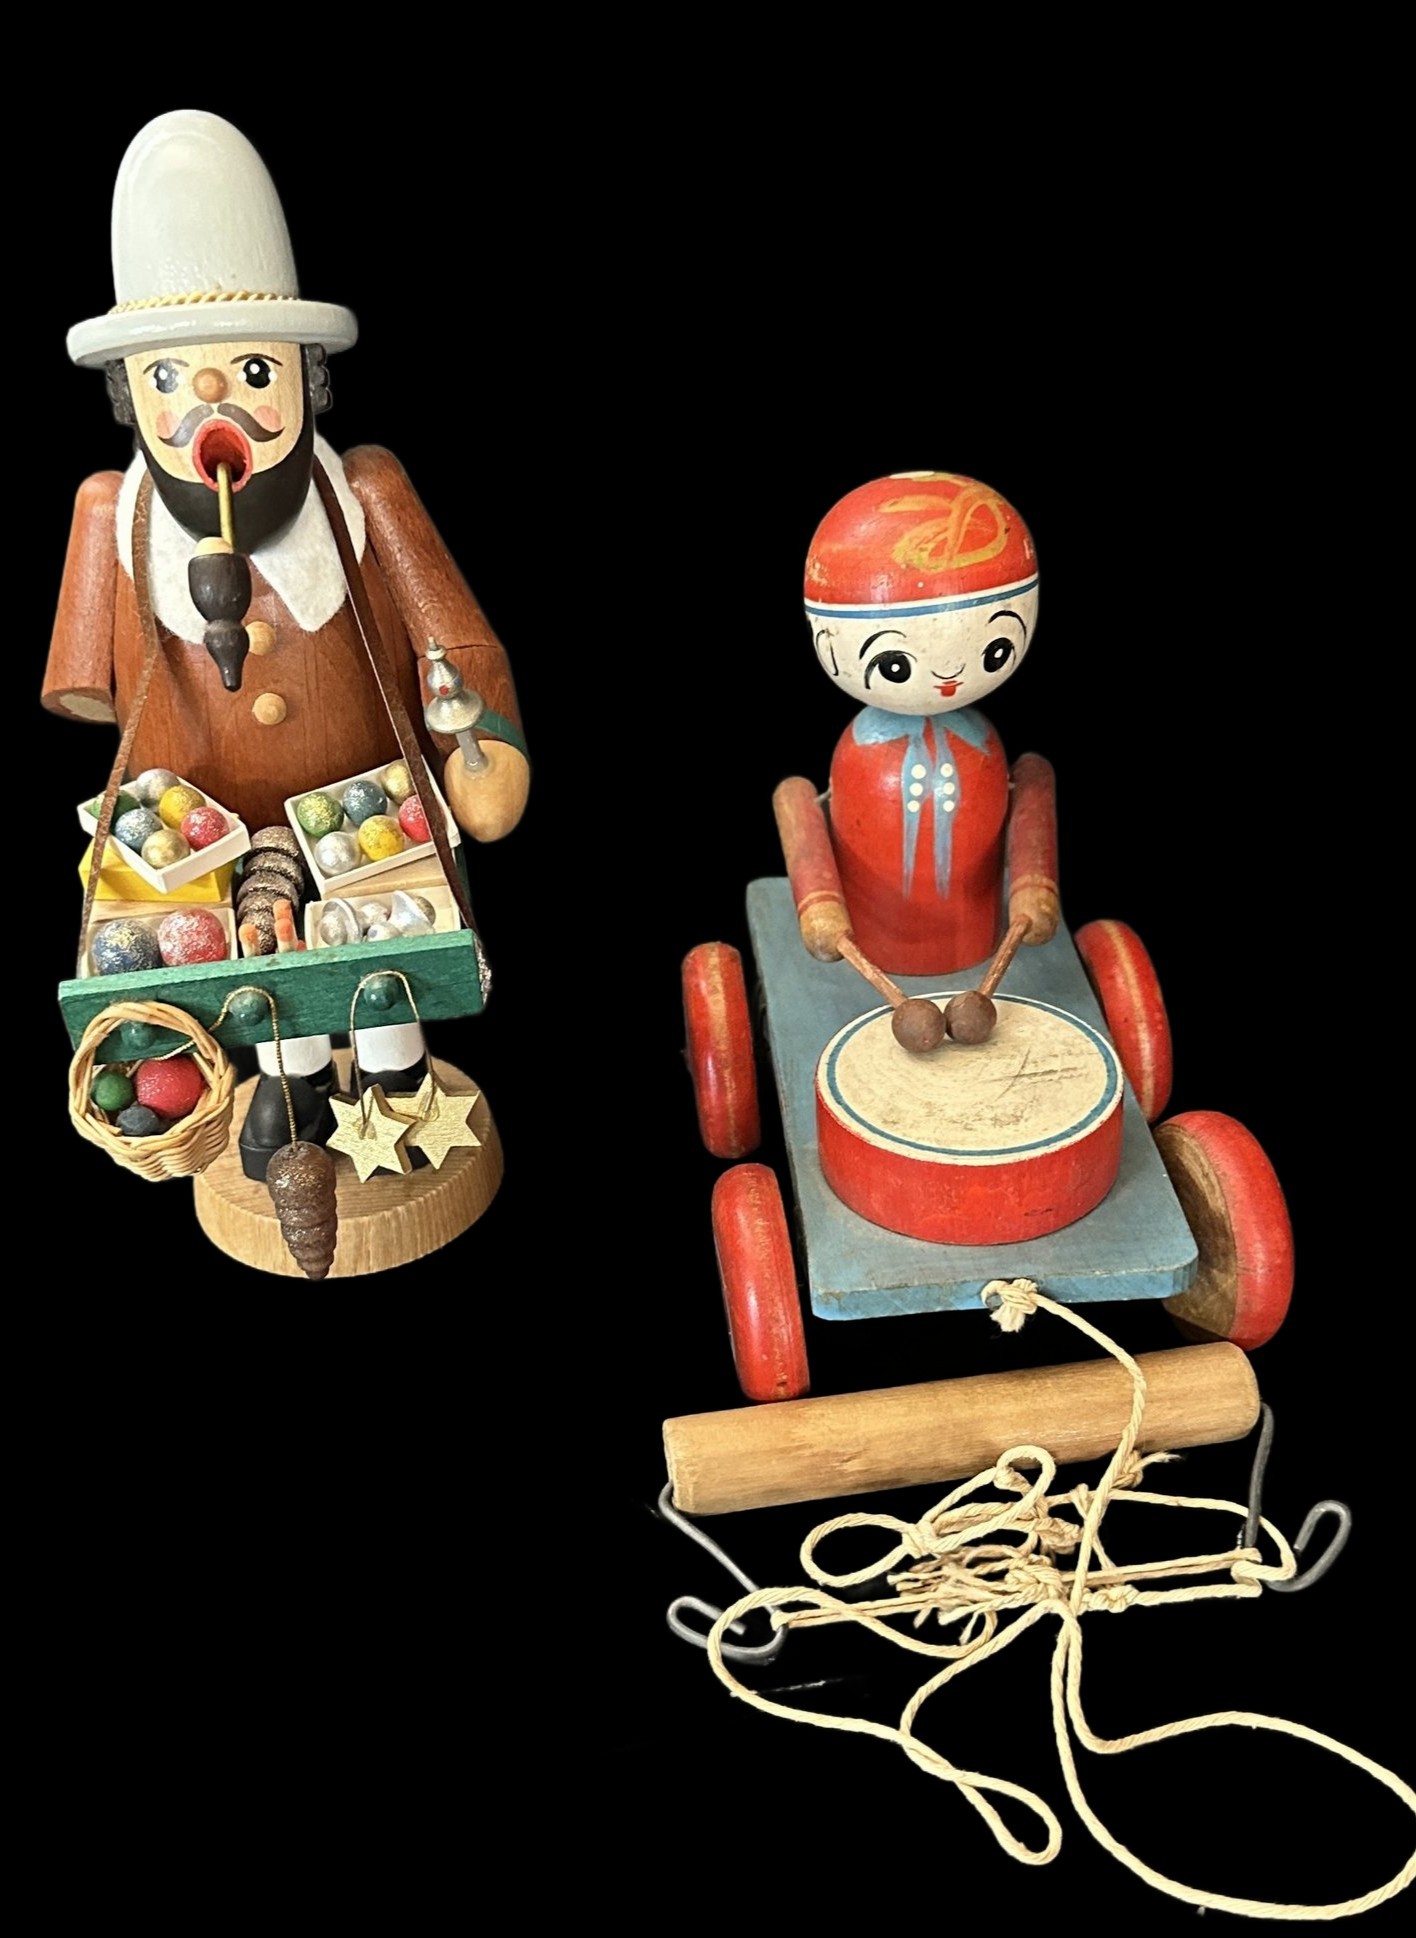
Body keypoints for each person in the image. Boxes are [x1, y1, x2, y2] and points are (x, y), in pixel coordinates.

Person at [45, 110, 528, 1177]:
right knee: (258, 963)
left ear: (306, 378)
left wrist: (483, 742)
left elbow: (456, 643)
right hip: (206, 835)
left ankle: (398, 1081)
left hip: (372, 812)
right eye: (168, 378)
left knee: (383, 950)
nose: (211, 398)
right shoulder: (110, 521)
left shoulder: (366, 495)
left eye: (253, 370)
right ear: (129, 398)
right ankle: (293, 1084)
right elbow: (87, 688)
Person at [804, 472, 1041, 975]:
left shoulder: (983, 747)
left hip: (978, 948)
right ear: (826, 643)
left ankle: (960, 950)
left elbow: (1032, 808)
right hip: (870, 951)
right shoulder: (859, 753)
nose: (949, 674)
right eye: (895, 664)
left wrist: (1035, 885)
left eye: (995, 648)